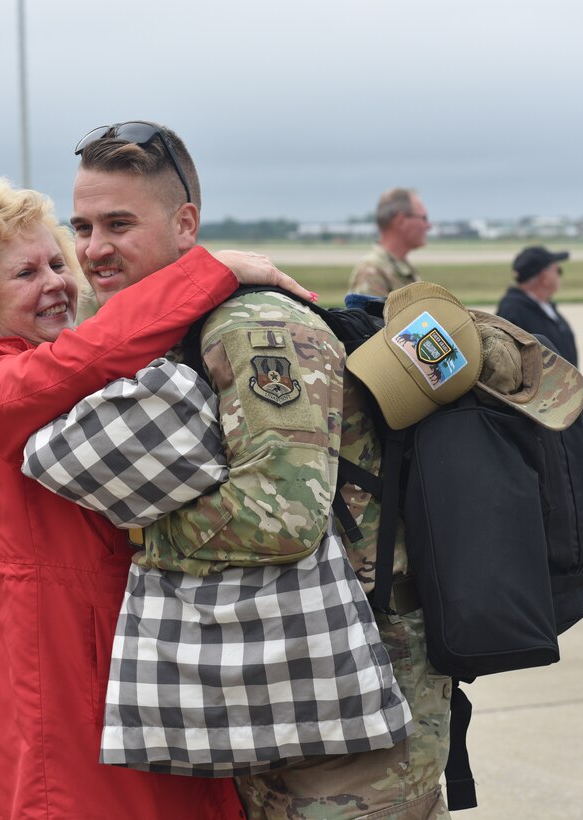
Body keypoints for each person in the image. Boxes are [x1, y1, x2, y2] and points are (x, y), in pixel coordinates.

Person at [68, 122, 450, 818]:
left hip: (358, 687)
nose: (94, 249)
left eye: (118, 224)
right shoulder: (174, 326)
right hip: (286, 680)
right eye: (83, 226)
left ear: (185, 224)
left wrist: (133, 536)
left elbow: (282, 514)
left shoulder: (250, 329)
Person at [0, 177, 308, 819]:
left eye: (55, 262)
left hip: (115, 645)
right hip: (51, 664)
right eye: (24, 273)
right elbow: (79, 359)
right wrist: (208, 273)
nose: (56, 282)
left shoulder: (34, 374)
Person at [496, 245, 579, 366]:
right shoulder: (513, 312)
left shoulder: (544, 306)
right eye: (558, 270)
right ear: (544, 277)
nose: (559, 275)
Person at [347, 187, 428, 297]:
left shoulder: (401, 267)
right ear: (401, 221)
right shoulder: (372, 271)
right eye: (423, 218)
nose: (428, 226)